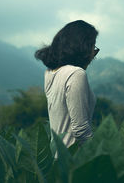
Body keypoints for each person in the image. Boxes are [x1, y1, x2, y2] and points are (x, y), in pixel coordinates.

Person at [35, 20, 99, 148]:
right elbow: (80, 130)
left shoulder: (50, 72)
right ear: (82, 48)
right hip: (73, 158)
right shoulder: (76, 74)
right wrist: (99, 153)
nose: (94, 54)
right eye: (93, 48)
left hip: (57, 155)